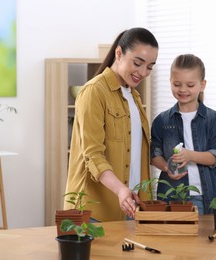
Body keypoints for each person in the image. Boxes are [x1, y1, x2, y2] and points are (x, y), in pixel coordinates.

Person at [64, 27, 159, 222]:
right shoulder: (93, 92)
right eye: (138, 63)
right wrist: (120, 190)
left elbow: (136, 153)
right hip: (94, 212)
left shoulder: (134, 96)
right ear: (119, 53)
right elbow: (93, 155)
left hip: (129, 207)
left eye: (149, 67)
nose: (142, 72)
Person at [151, 54, 216, 214]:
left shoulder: (212, 118)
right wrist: (167, 167)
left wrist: (189, 155)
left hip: (202, 195)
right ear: (170, 83)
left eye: (190, 85)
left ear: (202, 85)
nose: (183, 90)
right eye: (177, 84)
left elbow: (215, 156)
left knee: (200, 237)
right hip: (171, 194)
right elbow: (155, 154)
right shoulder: (161, 120)